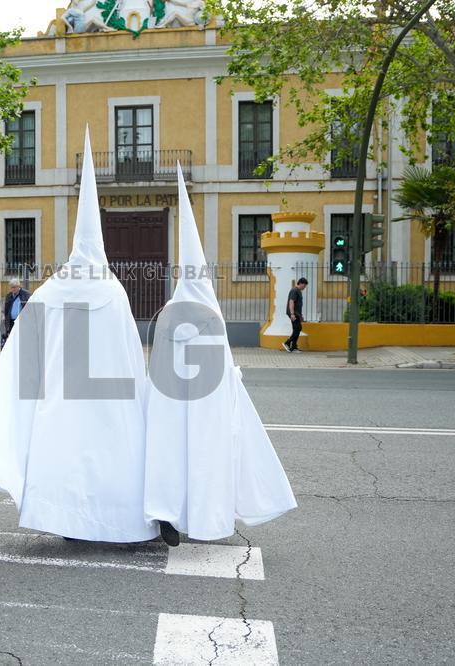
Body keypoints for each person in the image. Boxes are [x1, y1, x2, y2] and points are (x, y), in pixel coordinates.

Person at [0, 129, 158, 544]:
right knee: (108, 456)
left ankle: (66, 518)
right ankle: (114, 520)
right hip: (111, 400)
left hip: (63, 396)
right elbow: (130, 354)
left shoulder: (53, 289)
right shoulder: (112, 290)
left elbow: (24, 349)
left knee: (66, 455)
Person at [144, 167, 296, 546]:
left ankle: (165, 510)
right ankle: (203, 516)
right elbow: (224, 366)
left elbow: (156, 366)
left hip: (168, 404)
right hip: (206, 406)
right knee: (206, 456)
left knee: (168, 456)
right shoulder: (211, 315)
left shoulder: (168, 315)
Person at [282, 277, 308, 352]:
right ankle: (287, 343)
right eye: (304, 285)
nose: (304, 287)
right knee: (298, 328)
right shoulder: (295, 290)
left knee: (296, 329)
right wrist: (292, 314)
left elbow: (298, 304)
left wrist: (300, 315)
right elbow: (291, 301)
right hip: (294, 313)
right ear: (300, 283)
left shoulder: (298, 291)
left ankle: (293, 347)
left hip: (297, 313)